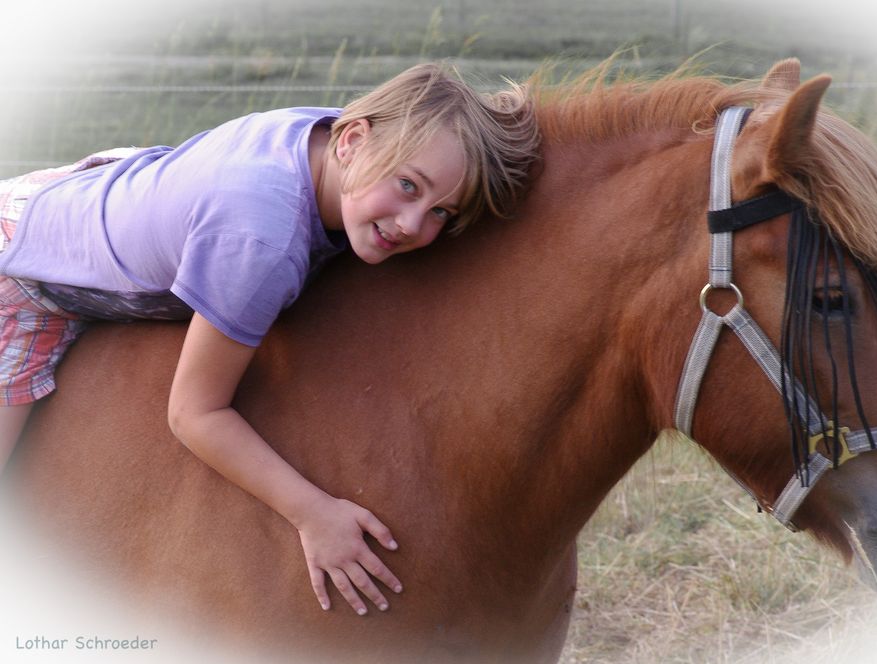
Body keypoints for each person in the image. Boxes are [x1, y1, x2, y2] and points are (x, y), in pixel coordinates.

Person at [0, 63, 540, 615]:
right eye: (408, 186)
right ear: (353, 139)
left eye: (441, 212)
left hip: (100, 187)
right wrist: (313, 513)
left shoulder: (329, 139)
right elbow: (194, 413)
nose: (411, 223)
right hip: (21, 269)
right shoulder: (261, 240)